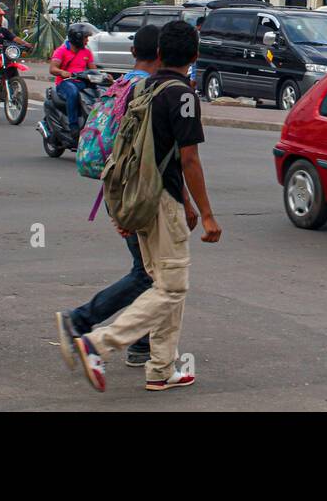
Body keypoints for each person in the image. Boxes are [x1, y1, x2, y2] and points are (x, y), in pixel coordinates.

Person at [68, 20, 221, 393]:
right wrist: (207, 214)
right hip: (162, 201)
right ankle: (97, 343)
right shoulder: (182, 94)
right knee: (171, 287)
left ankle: (160, 368)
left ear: (158, 54)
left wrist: (121, 208)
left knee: (166, 284)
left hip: (140, 196)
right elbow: (189, 160)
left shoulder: (144, 87)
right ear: (194, 56)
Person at [54, 25, 174, 369]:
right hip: (133, 194)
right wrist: (127, 209)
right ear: (162, 55)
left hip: (115, 190)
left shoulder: (119, 83)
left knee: (148, 270)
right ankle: (80, 321)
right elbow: (137, 155)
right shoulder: (145, 92)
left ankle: (140, 343)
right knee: (147, 273)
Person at [49, 22, 97, 133]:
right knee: (73, 92)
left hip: (81, 81)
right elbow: (53, 69)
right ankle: (73, 125)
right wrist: (62, 72)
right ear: (77, 38)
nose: (87, 40)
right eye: (85, 38)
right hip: (65, 83)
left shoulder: (87, 52)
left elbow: (93, 70)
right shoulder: (61, 51)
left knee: (100, 91)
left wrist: (104, 76)